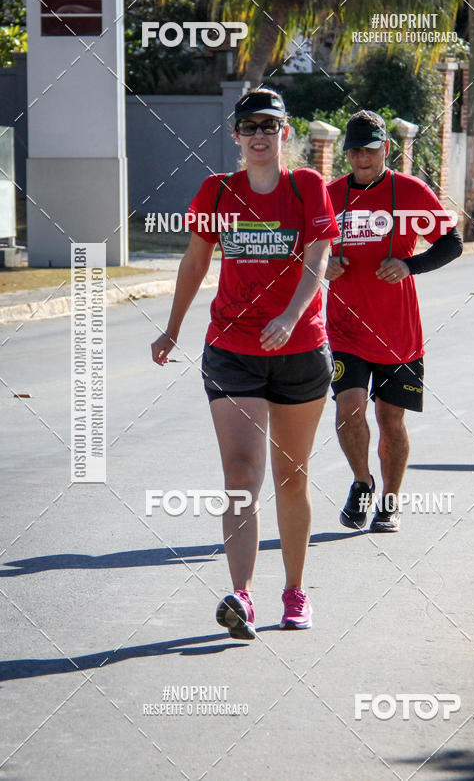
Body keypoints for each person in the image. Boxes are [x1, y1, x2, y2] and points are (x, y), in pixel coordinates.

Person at [151, 89, 338, 640]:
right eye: (249, 126)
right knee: (240, 476)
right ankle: (242, 596)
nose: (259, 134)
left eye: (269, 125)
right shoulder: (217, 191)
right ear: (235, 135)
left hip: (300, 351)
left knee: (292, 477)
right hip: (232, 351)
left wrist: (291, 315)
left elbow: (319, 256)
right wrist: (172, 327)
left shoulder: (306, 187)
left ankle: (295, 591)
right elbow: (195, 261)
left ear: (285, 133)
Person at [325, 110, 462, 533]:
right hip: (345, 328)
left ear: (386, 148)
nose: (362, 158)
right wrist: (323, 265)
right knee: (349, 408)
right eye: (354, 151)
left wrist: (408, 265)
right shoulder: (329, 195)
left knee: (391, 420)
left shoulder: (410, 191)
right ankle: (362, 483)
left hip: (398, 333)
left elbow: (452, 243)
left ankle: (390, 500)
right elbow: (302, 250)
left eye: (370, 150)